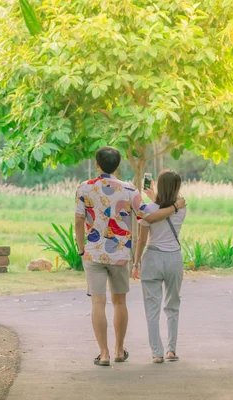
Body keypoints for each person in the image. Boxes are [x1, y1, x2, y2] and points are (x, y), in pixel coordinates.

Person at [74, 147, 186, 367]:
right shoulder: (129, 189)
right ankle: (118, 350)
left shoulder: (84, 188)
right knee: (119, 302)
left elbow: (78, 220)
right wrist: (174, 206)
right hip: (119, 254)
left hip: (94, 252)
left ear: (97, 165)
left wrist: (81, 248)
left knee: (98, 302)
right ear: (117, 166)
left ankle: (104, 354)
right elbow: (149, 216)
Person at [132, 170, 186, 364]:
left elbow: (141, 240)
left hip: (152, 257)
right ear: (177, 187)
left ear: (159, 185)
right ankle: (172, 350)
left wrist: (136, 263)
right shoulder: (181, 208)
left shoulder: (148, 209)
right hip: (174, 259)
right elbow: (165, 209)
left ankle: (157, 353)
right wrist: (155, 196)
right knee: (173, 305)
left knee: (152, 309)